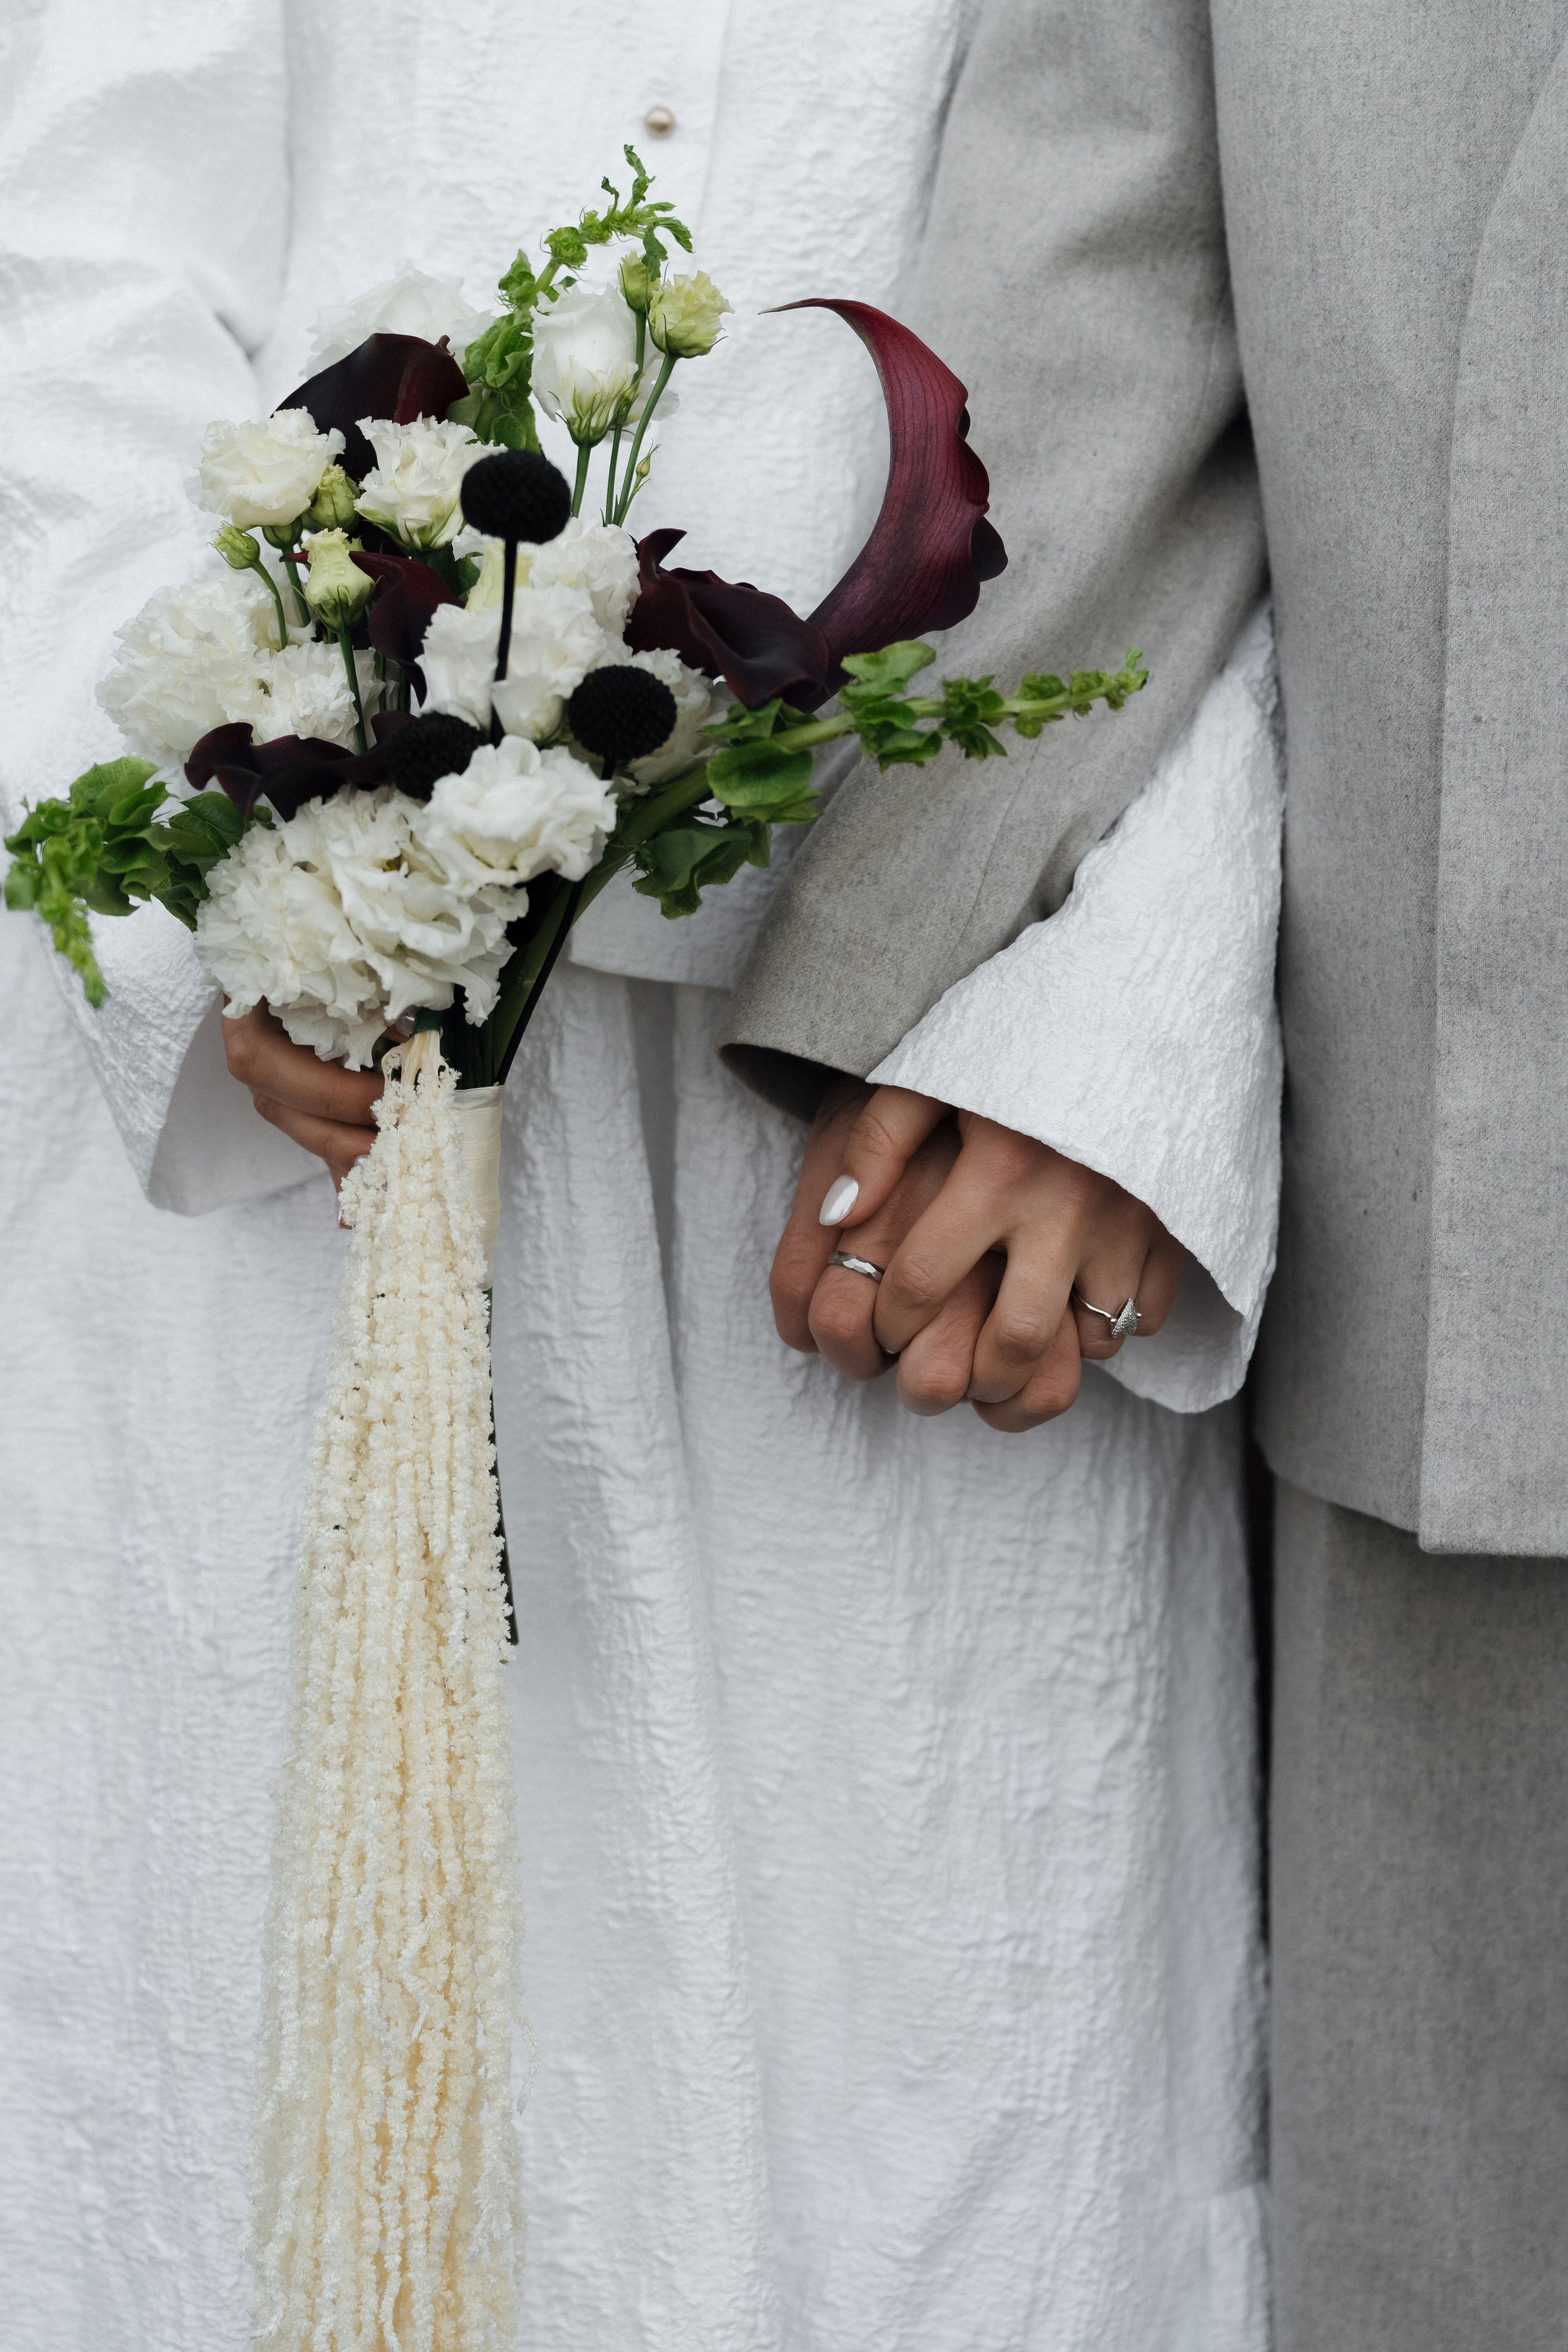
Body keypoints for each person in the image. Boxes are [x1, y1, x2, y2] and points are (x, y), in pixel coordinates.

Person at [0, 4, 1282, 2347]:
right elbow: (65, 243)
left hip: (925, 1128)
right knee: (271, 2094)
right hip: (301, 1144)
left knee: (936, 2125)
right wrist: (225, 869)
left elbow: (1291, 307)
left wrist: (1122, 1031)